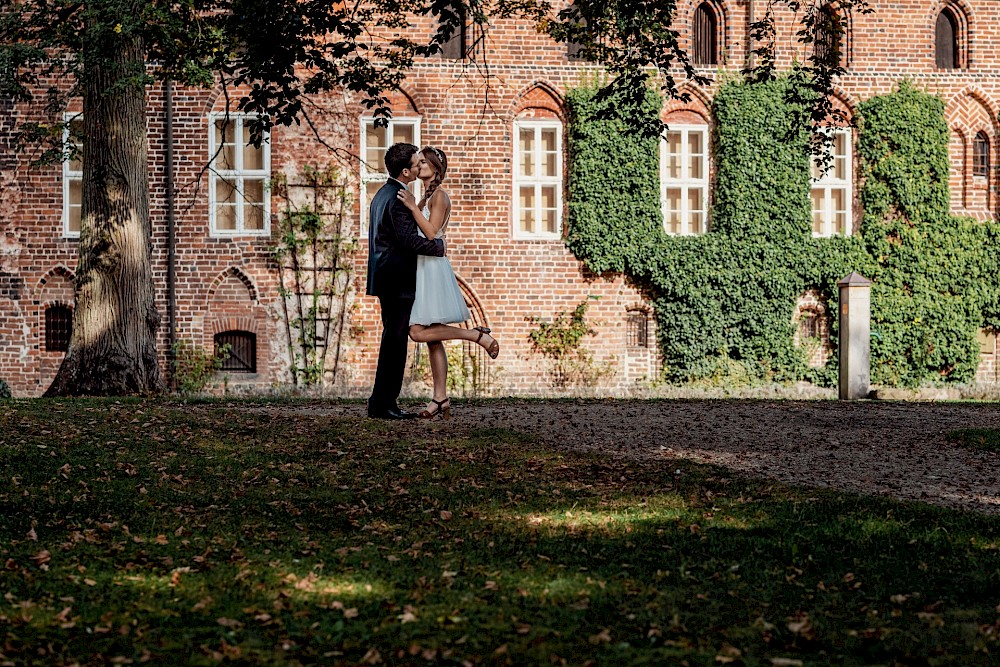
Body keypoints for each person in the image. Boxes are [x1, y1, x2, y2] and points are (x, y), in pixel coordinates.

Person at [396, 146, 500, 421]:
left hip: (432, 268)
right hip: (423, 266)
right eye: (417, 162)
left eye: (422, 162)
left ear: (435, 168)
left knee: (417, 331)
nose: (418, 166)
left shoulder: (439, 196)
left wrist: (410, 205)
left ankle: (476, 336)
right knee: (432, 339)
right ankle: (440, 398)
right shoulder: (426, 197)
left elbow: (431, 233)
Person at [366, 143, 446, 420]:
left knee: (393, 339)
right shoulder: (400, 198)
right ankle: (385, 404)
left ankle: (380, 402)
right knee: (395, 342)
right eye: (416, 163)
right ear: (405, 171)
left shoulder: (383, 194)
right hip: (397, 279)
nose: (419, 166)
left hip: (386, 277)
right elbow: (409, 241)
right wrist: (440, 248)